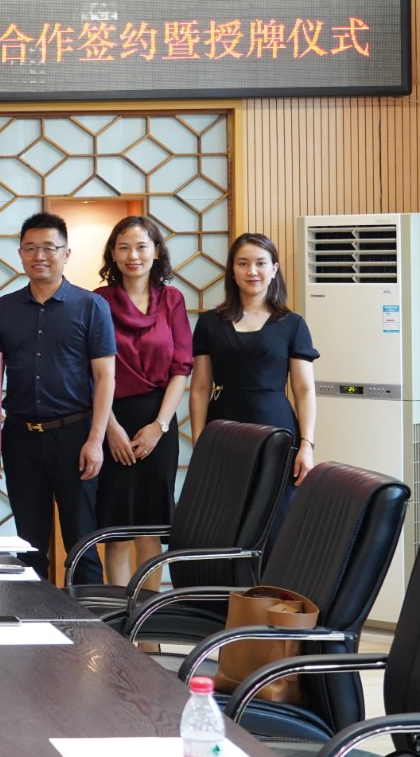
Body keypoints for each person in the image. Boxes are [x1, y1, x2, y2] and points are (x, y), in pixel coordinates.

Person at [0, 212, 113, 585]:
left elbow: (105, 376)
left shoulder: (90, 306)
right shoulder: (4, 308)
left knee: (81, 540)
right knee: (29, 543)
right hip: (19, 436)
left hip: (74, 436)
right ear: (20, 254)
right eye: (30, 248)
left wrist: (96, 440)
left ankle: (90, 621)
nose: (39, 256)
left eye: (49, 248)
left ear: (66, 253)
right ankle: (34, 618)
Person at [190, 233, 318, 535]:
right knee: (225, 520)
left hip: (277, 429)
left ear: (274, 269)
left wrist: (307, 445)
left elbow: (304, 391)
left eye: (260, 263)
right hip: (224, 428)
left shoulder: (292, 323)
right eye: (243, 263)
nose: (252, 271)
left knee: (275, 521)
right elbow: (200, 388)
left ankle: (271, 571)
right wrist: (199, 442)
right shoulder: (209, 322)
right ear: (232, 270)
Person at [93, 217, 192, 587]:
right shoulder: (97, 301)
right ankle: (118, 618)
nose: (132, 255)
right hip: (111, 418)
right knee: (116, 531)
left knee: (150, 530)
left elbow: (182, 368)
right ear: (113, 254)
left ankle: (148, 617)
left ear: (156, 252)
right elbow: (90, 372)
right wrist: (110, 429)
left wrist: (160, 426)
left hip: (158, 422)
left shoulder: (172, 299)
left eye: (141, 246)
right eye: (124, 247)